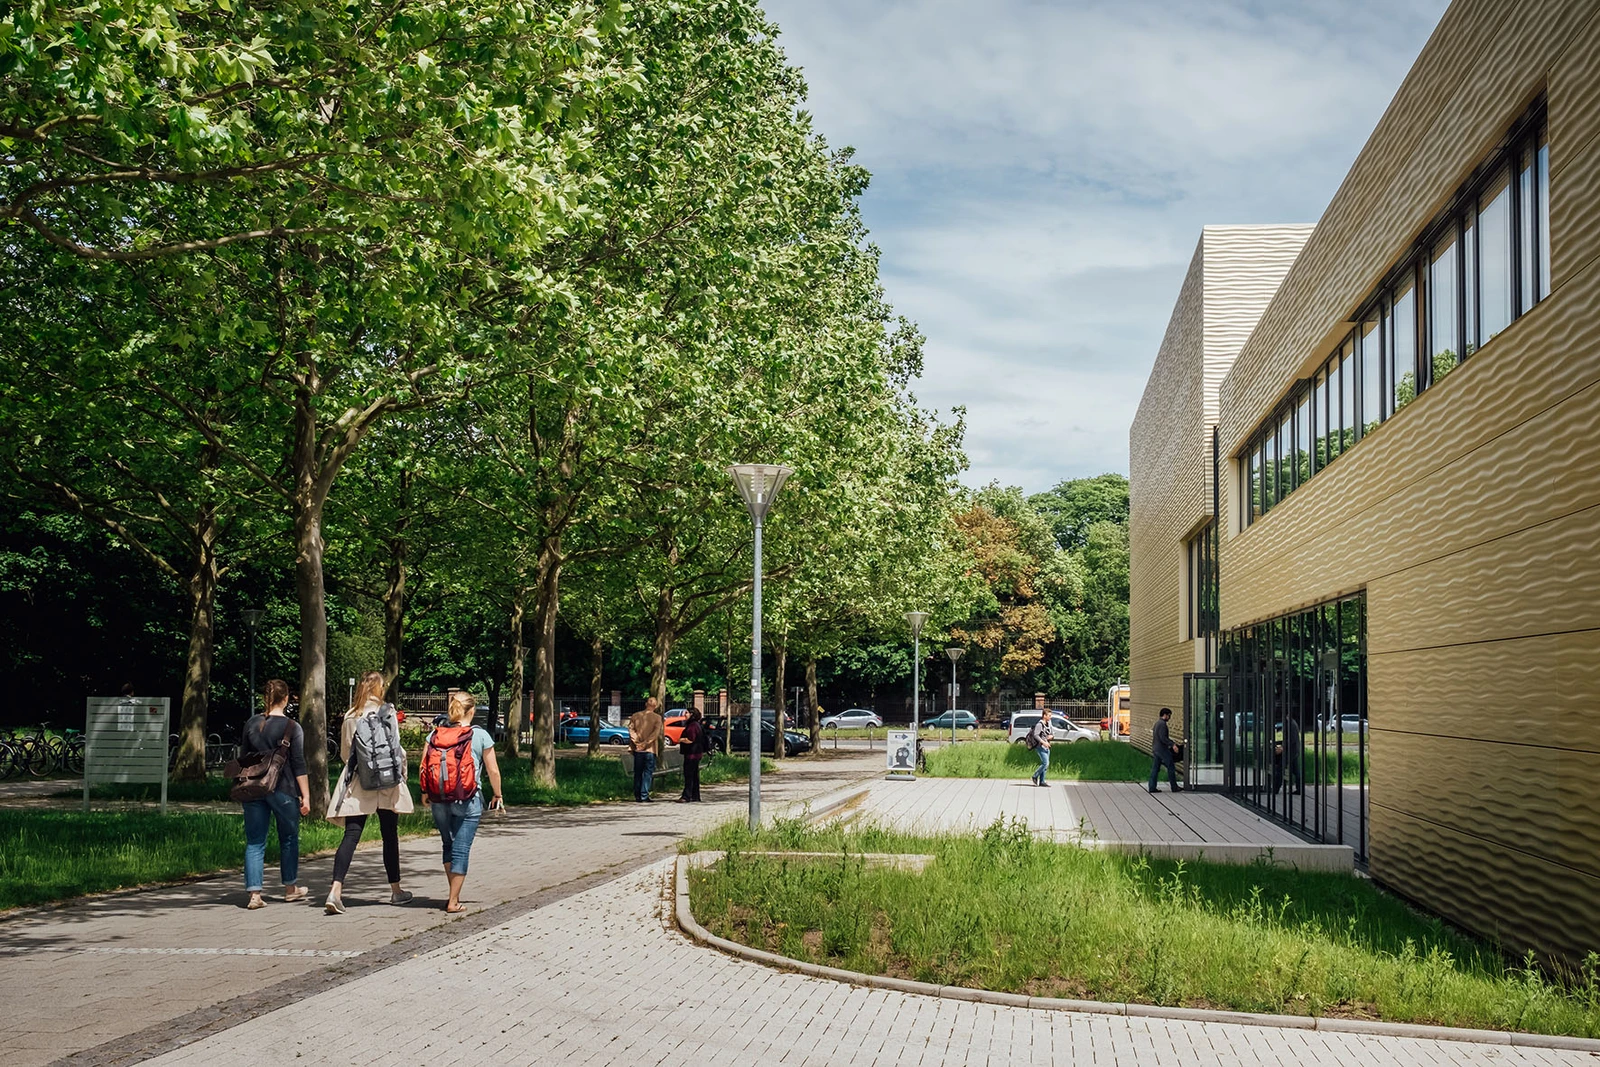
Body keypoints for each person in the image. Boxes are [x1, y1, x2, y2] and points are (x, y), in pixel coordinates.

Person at [324, 671, 415, 914]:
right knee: (389, 836)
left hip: (360, 781)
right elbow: (397, 748)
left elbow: (346, 753)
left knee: (351, 835)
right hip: (387, 781)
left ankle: (335, 891)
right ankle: (396, 891)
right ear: (379, 688)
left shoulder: (351, 716)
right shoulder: (388, 712)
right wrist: (402, 774)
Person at [425, 690, 503, 914]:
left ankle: (453, 894)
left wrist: (425, 792)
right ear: (472, 710)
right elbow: (493, 770)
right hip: (468, 798)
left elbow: (424, 764)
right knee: (461, 849)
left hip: (438, 798)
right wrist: (497, 795)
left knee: (447, 845)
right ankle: (453, 901)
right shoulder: (480, 735)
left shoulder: (435, 734)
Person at [241, 679, 311, 910]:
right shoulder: (292, 727)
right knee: (288, 838)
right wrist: (306, 796)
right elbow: (298, 764)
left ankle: (255, 895)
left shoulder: (252, 723)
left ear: (265, 697)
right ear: (287, 698)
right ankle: (290, 889)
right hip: (283, 789)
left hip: (253, 788)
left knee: (255, 841)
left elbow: (243, 757)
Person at [628, 697, 664, 802]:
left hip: (638, 749)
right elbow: (655, 733)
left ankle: (637, 795)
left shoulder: (635, 716)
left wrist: (637, 742)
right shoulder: (657, 718)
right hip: (650, 749)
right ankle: (644, 795)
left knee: (638, 772)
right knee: (648, 772)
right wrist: (646, 743)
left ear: (645, 704)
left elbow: (631, 730)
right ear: (655, 706)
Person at [1149, 707, 1183, 793]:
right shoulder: (1162, 724)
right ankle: (1174, 787)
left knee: (1155, 768)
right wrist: (1173, 744)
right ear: (1165, 715)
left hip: (1156, 749)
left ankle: (1152, 787)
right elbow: (1163, 738)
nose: (1169, 717)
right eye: (1169, 715)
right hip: (1162, 750)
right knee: (1171, 766)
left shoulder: (1157, 723)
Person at [677, 707, 707, 803]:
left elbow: (690, 739)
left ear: (692, 714)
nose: (684, 714)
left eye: (687, 713)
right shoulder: (696, 724)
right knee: (694, 776)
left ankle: (686, 796)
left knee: (689, 775)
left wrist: (681, 739)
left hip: (691, 754)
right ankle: (695, 796)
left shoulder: (692, 726)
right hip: (696, 754)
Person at [1028, 713, 1052, 787]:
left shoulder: (1047, 724)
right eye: (1049, 715)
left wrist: (1051, 737)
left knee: (1045, 764)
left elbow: (1047, 734)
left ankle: (1042, 781)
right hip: (1040, 746)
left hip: (1046, 746)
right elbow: (1036, 735)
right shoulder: (1039, 724)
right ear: (1044, 716)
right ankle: (1035, 776)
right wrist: (1044, 742)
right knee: (1045, 763)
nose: (1050, 717)